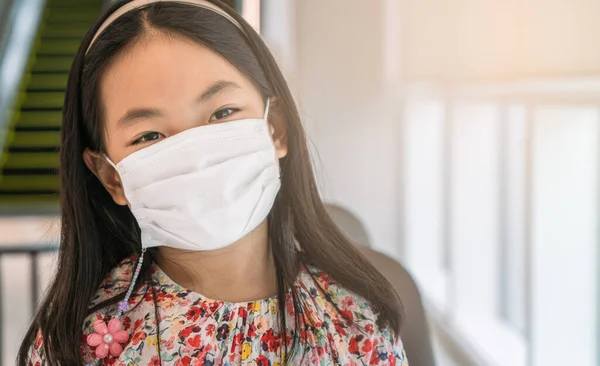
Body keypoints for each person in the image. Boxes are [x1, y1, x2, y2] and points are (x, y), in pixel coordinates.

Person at [17, 0, 408, 364]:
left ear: (276, 128)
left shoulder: (356, 322)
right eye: (149, 136)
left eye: (222, 112)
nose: (195, 152)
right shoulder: (75, 343)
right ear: (109, 176)